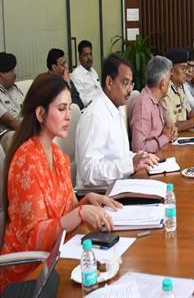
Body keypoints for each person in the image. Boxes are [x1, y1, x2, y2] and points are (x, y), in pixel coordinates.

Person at [0, 73, 122, 290]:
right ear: (40, 113)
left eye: (69, 108)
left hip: (58, 256)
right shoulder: (26, 161)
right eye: (61, 109)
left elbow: (65, 214)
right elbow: (34, 237)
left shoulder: (57, 154)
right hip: (29, 273)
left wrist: (86, 201)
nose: (68, 116)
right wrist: (81, 213)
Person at [76, 54, 158, 187]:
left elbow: (119, 156)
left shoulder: (117, 107)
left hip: (120, 185)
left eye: (131, 83)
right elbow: (89, 172)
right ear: (109, 82)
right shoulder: (95, 116)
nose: (130, 90)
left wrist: (139, 157)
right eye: (125, 83)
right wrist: (130, 165)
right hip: (101, 193)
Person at [129, 56, 178, 153]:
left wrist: (169, 132)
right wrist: (165, 138)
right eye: (169, 80)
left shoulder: (155, 100)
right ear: (163, 84)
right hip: (151, 160)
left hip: (160, 153)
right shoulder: (143, 105)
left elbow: (155, 134)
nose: (170, 83)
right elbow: (138, 148)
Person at [161, 48, 194, 131]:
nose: (186, 72)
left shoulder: (179, 87)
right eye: (183, 68)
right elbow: (173, 126)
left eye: (186, 68)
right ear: (171, 70)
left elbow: (190, 113)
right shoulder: (166, 91)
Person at [70, 40, 101, 107]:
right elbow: (82, 101)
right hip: (89, 108)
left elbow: (99, 90)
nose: (89, 57)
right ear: (79, 57)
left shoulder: (93, 71)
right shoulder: (76, 75)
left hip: (101, 104)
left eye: (90, 54)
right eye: (85, 55)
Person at [0, 52, 23, 132]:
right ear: (2, 73)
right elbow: (11, 121)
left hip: (25, 127)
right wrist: (31, 132)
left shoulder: (14, 88)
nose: (15, 73)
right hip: (11, 133)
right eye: (11, 70)